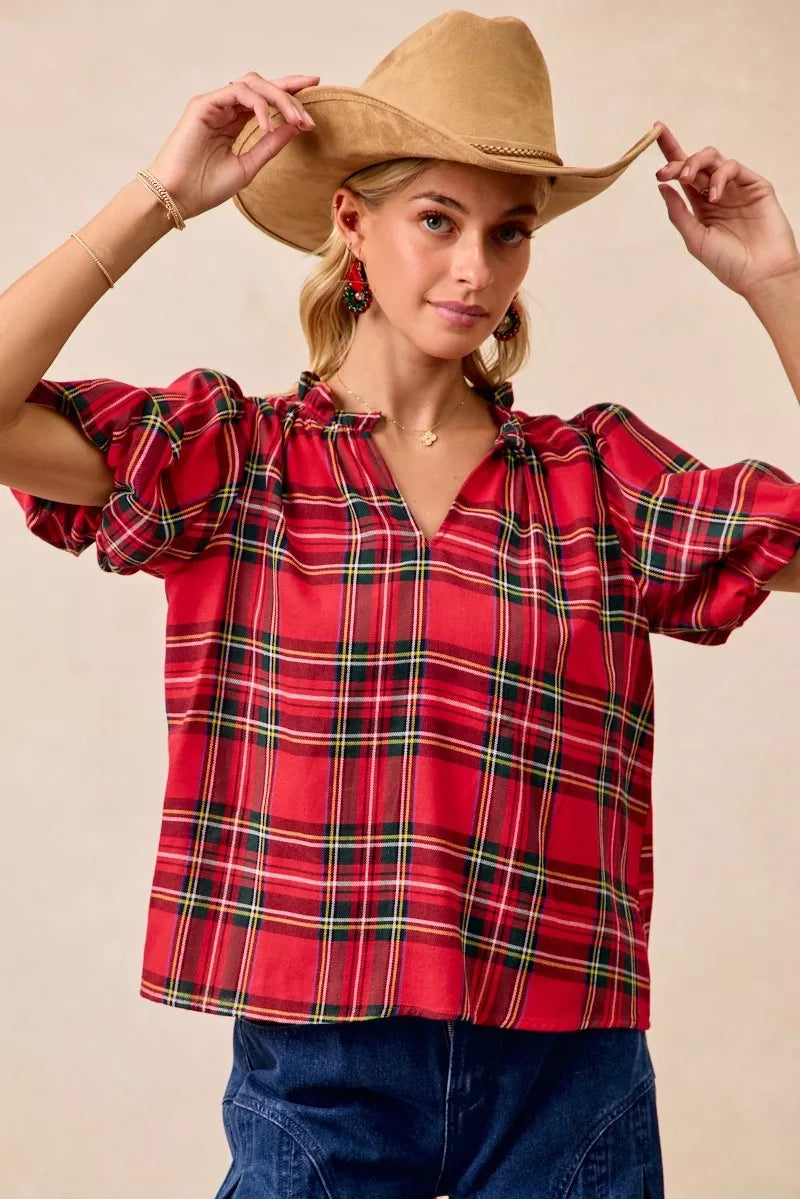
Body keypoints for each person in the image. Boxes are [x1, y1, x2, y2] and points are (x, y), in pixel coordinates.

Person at [2, 10, 800, 1198]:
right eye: (436, 219)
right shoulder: (240, 456)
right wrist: (161, 197)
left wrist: (776, 280)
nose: (474, 269)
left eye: (507, 230)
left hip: (564, 1070)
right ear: (351, 220)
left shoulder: (593, 478)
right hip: (317, 1057)